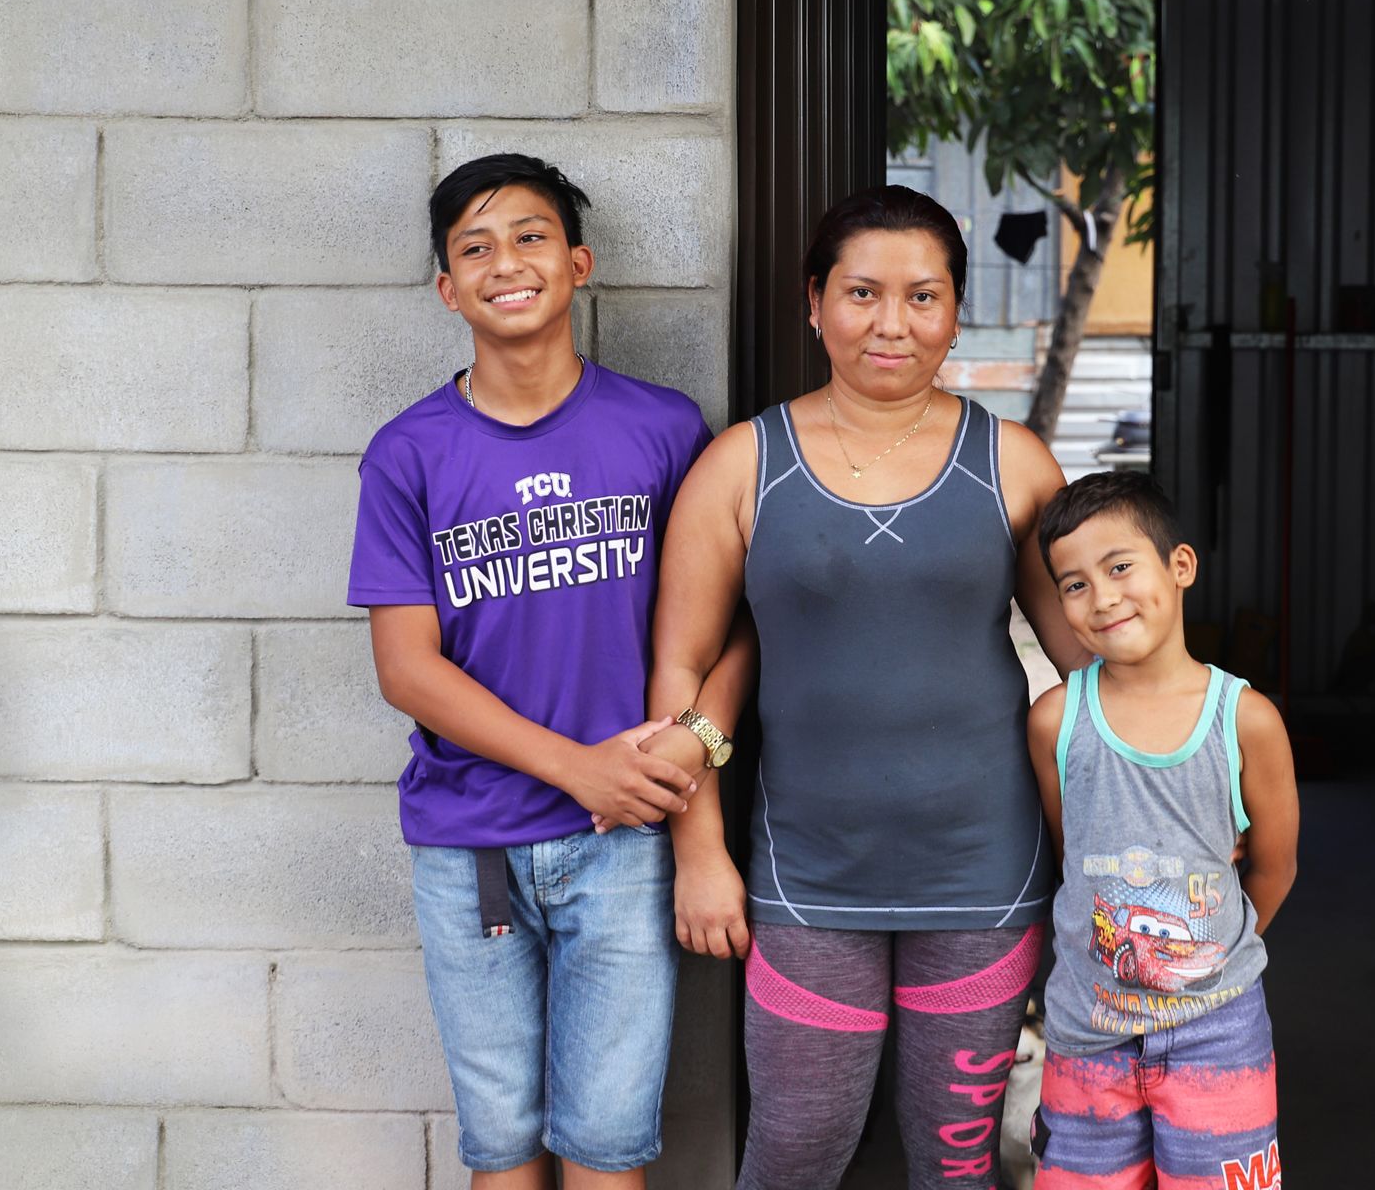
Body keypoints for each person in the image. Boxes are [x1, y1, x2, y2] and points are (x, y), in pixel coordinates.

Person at [635, 185, 1090, 1189]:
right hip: (807, 882)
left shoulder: (1012, 465)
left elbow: (1089, 671)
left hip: (983, 876)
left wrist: (1180, 793)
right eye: (861, 293)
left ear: (954, 311)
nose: (892, 323)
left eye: (922, 296)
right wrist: (698, 853)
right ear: (813, 302)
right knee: (795, 1151)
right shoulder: (740, 466)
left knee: (957, 1163)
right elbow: (677, 673)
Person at [350, 152, 746, 1189]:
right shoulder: (409, 453)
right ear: (447, 288)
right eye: (473, 247)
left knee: (607, 1145)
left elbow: (728, 634)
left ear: (578, 262)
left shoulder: (661, 429)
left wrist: (689, 751)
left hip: (621, 847)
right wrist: (577, 768)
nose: (504, 262)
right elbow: (406, 668)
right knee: (501, 1147)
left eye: (529, 236)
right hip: (468, 840)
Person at [1026, 471, 1298, 1190]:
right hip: (1086, 1032)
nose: (1103, 596)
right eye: (1074, 584)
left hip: (1219, 1036)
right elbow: (1071, 855)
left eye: (1119, 567)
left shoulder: (1246, 721)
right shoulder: (1056, 721)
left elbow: (1274, 867)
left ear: (1179, 567)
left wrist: (1214, 961)